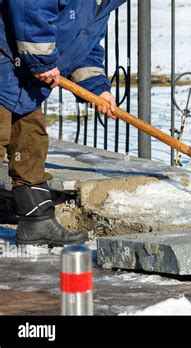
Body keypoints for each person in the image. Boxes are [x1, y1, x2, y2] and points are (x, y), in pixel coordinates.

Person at [0, 0, 126, 246]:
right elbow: (28, 6)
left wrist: (97, 89)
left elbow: (84, 43)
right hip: (6, 60)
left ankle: (36, 221)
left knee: (30, 145)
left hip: (25, 78)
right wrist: (42, 58)